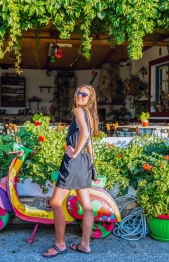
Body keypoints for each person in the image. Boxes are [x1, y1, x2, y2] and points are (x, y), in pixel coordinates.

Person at [42, 84, 100, 258]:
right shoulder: (89, 114)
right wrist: (91, 160)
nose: (80, 96)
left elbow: (83, 134)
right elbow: (89, 139)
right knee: (86, 205)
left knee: (55, 202)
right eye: (78, 93)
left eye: (84, 94)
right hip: (84, 161)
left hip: (74, 161)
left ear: (90, 99)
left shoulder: (79, 111)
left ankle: (60, 244)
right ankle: (84, 245)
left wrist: (74, 152)